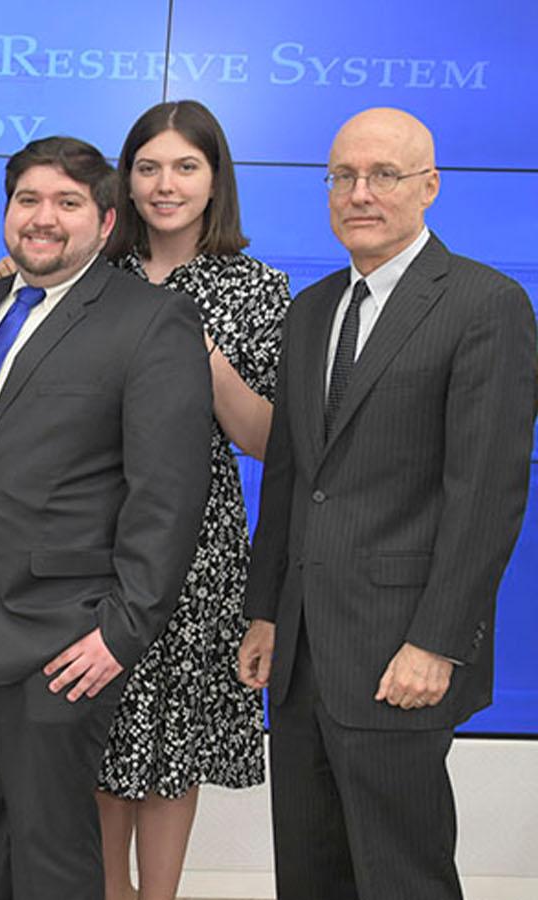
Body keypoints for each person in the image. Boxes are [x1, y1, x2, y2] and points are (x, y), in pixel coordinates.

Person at [238, 107, 536, 900]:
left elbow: (487, 494)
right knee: (311, 872)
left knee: (402, 874)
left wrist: (438, 641)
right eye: (342, 176)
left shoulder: (486, 303)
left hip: (399, 649)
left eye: (383, 175)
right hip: (301, 653)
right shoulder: (311, 311)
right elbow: (294, 480)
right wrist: (266, 612)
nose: (358, 193)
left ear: (429, 187)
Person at [0, 135, 213, 900]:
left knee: (52, 844)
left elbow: (168, 494)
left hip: (63, 631)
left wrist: (122, 629)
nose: (44, 219)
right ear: (6, 211)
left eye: (67, 203)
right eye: (28, 200)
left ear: (106, 223)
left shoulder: (150, 320)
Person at [96, 100, 292, 900]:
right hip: (91, 536)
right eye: (148, 167)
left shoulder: (256, 286)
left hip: (200, 548)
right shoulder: (90, 276)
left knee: (173, 743)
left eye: (185, 167)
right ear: (127, 179)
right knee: (102, 734)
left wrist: (197, 350)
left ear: (216, 182)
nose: (165, 184)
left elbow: (264, 439)